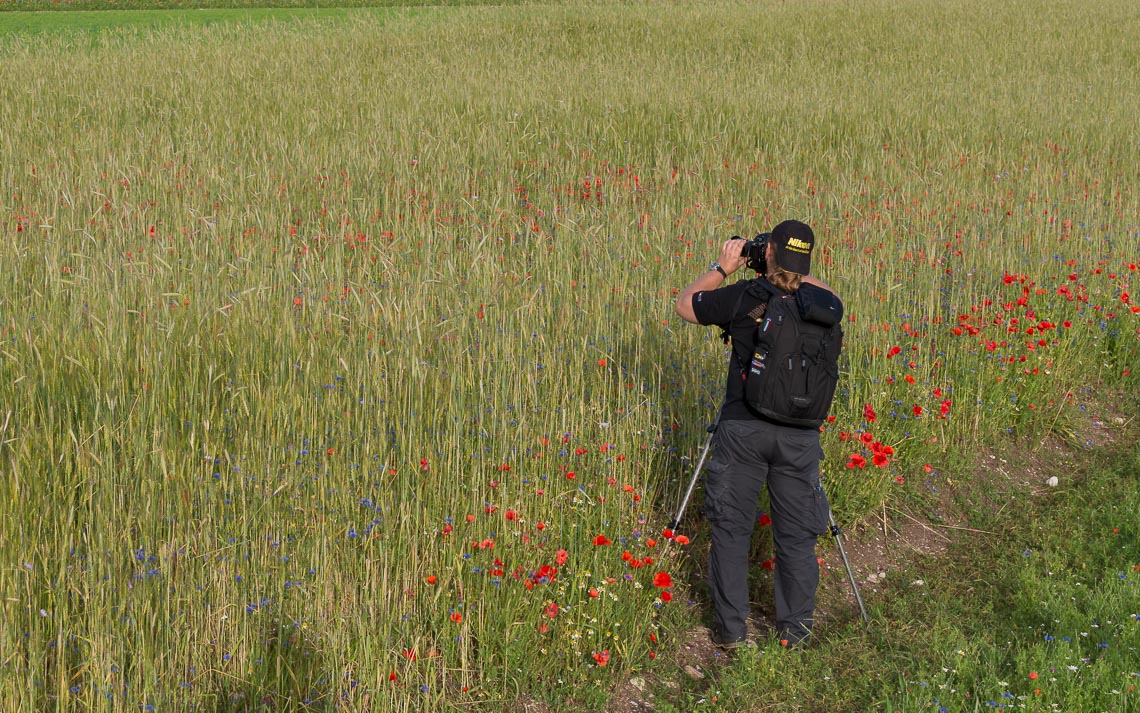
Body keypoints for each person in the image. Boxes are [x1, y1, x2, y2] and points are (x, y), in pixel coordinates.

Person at [674, 219, 838, 649]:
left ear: (768, 254)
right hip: (800, 437)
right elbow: (825, 290)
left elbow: (686, 304)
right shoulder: (825, 306)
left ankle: (731, 632)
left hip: (743, 430)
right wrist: (786, 267)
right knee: (797, 537)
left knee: (732, 530)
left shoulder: (745, 295)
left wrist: (726, 265)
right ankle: (796, 633)